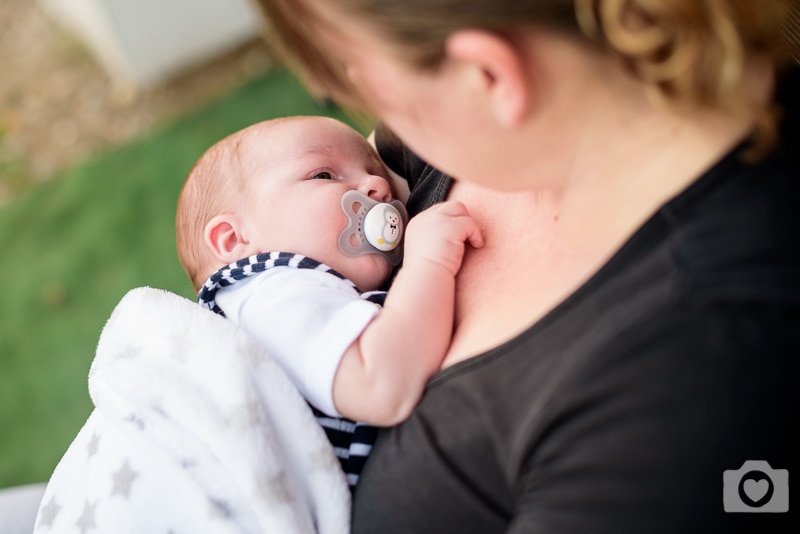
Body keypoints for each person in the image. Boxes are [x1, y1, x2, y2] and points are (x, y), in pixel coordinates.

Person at [254, 0, 800, 532]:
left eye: (357, 72)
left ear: (489, 74)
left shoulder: (691, 384)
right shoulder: (451, 141)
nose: (360, 103)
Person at [175, 115, 483, 486]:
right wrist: (428, 262)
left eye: (377, 174)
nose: (378, 186)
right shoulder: (268, 293)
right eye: (324, 175)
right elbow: (381, 384)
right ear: (234, 240)